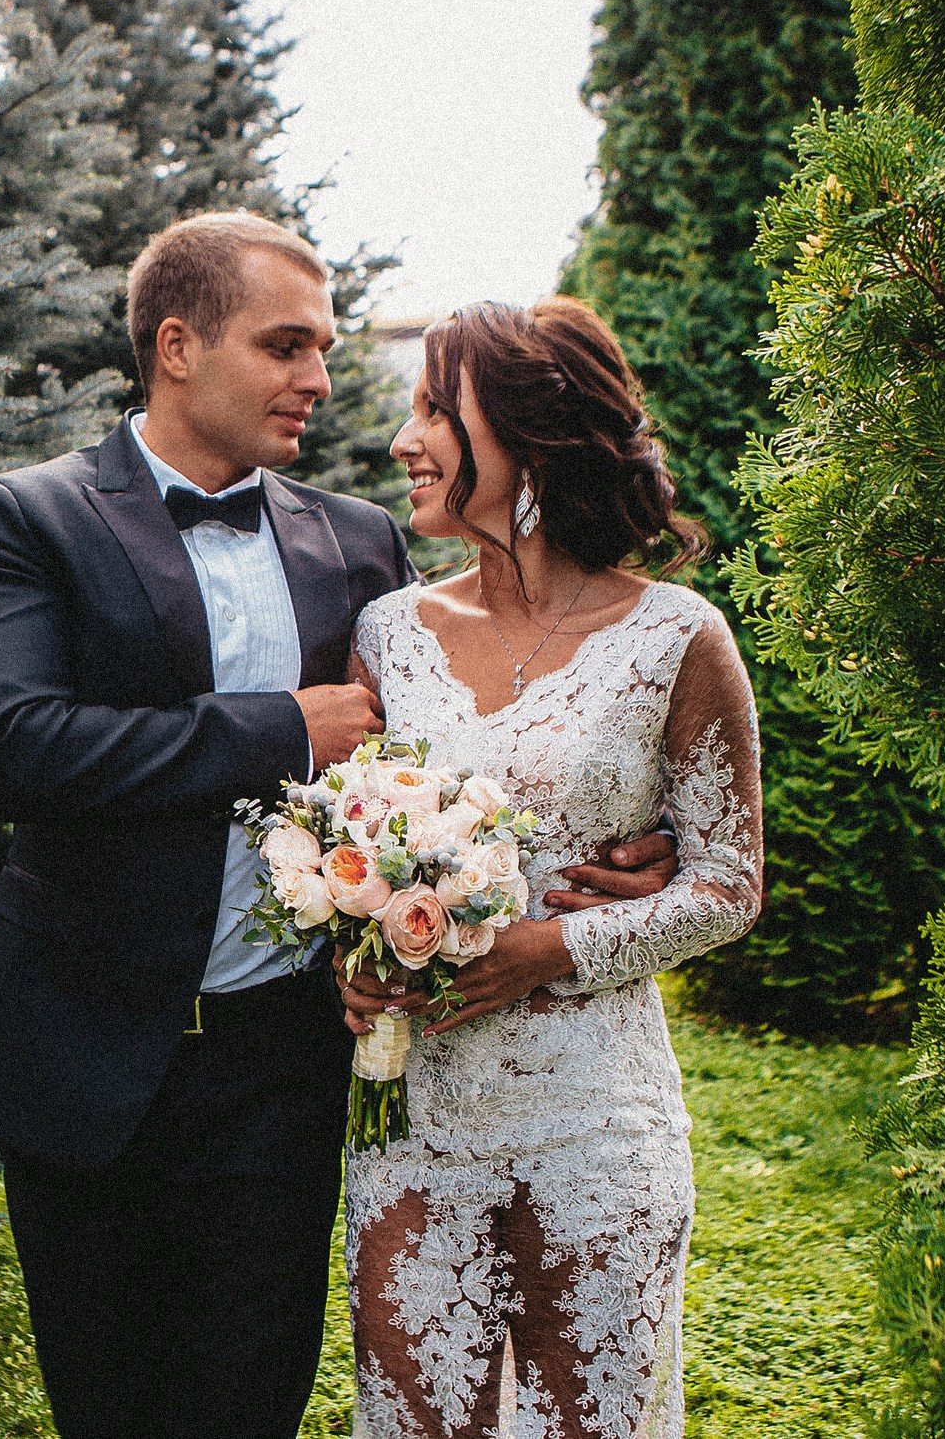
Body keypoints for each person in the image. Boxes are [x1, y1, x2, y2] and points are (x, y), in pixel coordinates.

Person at [0, 217, 678, 1438]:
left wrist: (614, 843)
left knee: (252, 1400)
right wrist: (275, 730)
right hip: (90, 1048)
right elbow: (16, 748)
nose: (322, 379)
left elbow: (445, 747)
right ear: (177, 346)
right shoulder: (33, 517)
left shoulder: (357, 541)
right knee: (107, 1405)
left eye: (325, 347)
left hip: (280, 1067)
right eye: (286, 345)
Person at [336, 298, 764, 1438]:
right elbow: (355, 844)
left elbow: (728, 881)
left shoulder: (676, 634)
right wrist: (356, 961)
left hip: (596, 1118)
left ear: (525, 442)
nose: (403, 439)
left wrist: (548, 949)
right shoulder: (386, 631)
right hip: (414, 1116)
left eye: (434, 408)